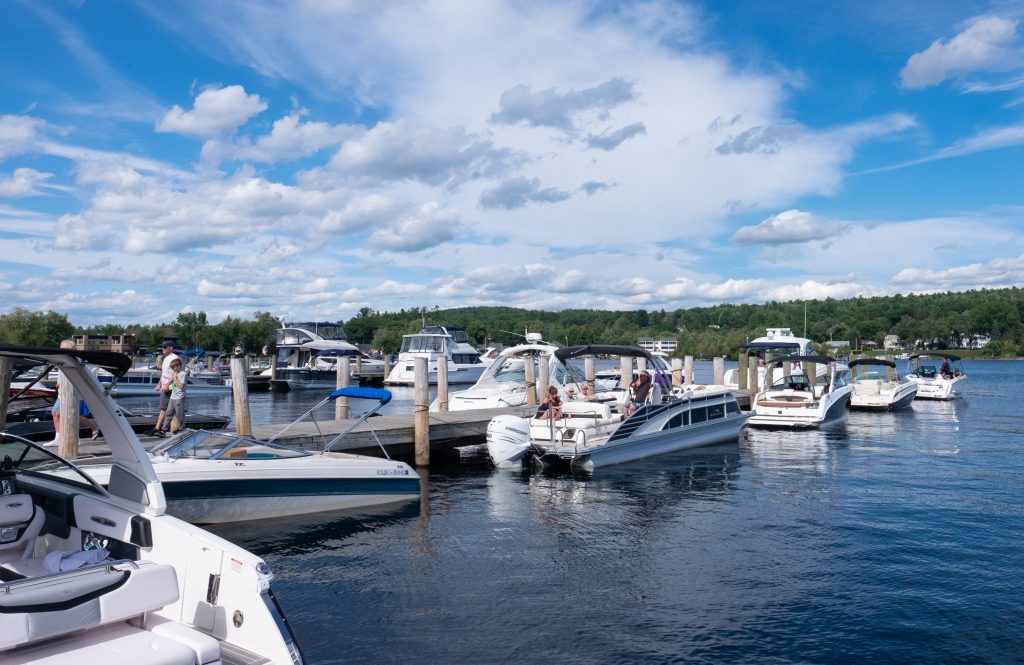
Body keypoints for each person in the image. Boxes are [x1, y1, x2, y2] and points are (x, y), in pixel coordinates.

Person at [46, 340, 99, 447]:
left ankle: (80, 435)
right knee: (56, 413)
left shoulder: (77, 361)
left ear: (71, 349)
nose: (62, 351)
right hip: (62, 392)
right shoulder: (61, 359)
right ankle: (58, 438)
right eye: (61, 348)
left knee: (74, 415)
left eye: (64, 349)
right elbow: (61, 374)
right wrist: (58, 383)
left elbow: (85, 375)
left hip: (74, 393)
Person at [153, 340, 180, 433]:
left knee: (165, 408)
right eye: (162, 347)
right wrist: (159, 384)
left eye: (165, 347)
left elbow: (175, 374)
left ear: (171, 348)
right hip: (164, 386)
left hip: (171, 387)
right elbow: (164, 373)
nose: (162, 349)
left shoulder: (175, 358)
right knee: (165, 408)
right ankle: (161, 429)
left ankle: (158, 428)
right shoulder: (165, 358)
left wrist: (167, 385)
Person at [158, 357, 187, 437]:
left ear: (178, 366)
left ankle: (181, 428)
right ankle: (164, 430)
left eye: (174, 367)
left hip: (179, 398)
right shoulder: (175, 373)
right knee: (168, 413)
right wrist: (167, 385)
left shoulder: (182, 374)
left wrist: (175, 379)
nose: (173, 369)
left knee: (179, 415)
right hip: (172, 397)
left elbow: (181, 386)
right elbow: (172, 382)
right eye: (172, 367)